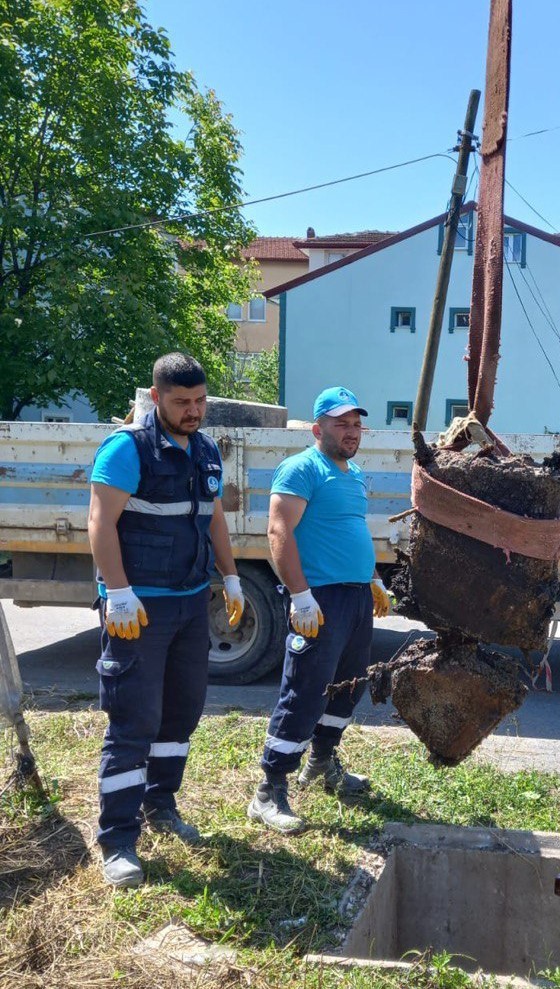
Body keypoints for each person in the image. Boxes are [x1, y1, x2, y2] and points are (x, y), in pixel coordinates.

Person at [88, 353, 244, 888]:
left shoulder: (204, 450)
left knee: (181, 713)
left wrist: (232, 577)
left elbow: (214, 518)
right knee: (134, 719)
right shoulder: (127, 449)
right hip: (140, 612)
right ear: (156, 398)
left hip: (190, 604)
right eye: (182, 403)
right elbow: (99, 520)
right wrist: (119, 593)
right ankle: (117, 840)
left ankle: (161, 803)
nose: (194, 411)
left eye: (200, 401)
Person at [247, 385, 391, 833]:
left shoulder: (352, 474)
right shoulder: (302, 468)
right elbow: (278, 531)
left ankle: (322, 762)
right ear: (318, 428)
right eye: (341, 424)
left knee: (348, 687)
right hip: (320, 598)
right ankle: (269, 790)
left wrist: (370, 579)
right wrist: (300, 595)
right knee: (305, 690)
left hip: (354, 598)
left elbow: (345, 528)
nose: (351, 432)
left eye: (355, 424)